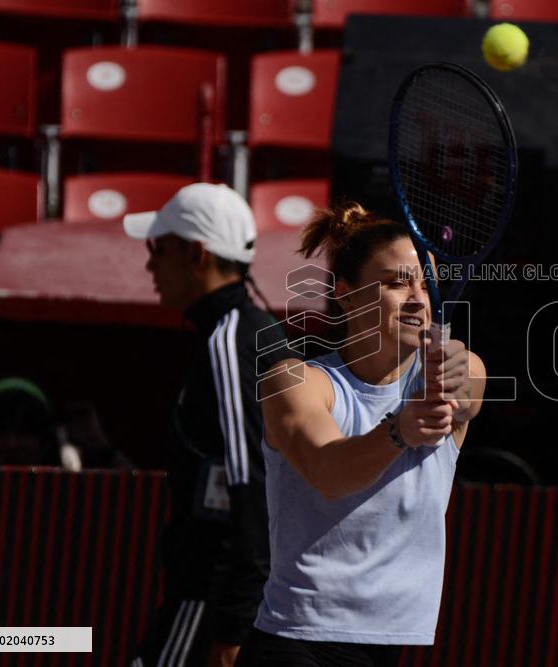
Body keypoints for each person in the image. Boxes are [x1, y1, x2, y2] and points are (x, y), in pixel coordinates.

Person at [235, 203, 487, 666]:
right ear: (347, 296)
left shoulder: (459, 368)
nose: (418, 297)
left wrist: (454, 383)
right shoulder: (294, 380)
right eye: (397, 281)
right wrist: (399, 430)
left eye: (426, 283)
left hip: (391, 643)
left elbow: (468, 386)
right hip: (296, 641)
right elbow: (329, 474)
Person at [124, 183, 298, 667]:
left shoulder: (230, 343)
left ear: (196, 253)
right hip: (222, 600)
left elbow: (253, 486)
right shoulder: (249, 331)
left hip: (208, 602)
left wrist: (235, 624)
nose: (149, 265)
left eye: (156, 249)